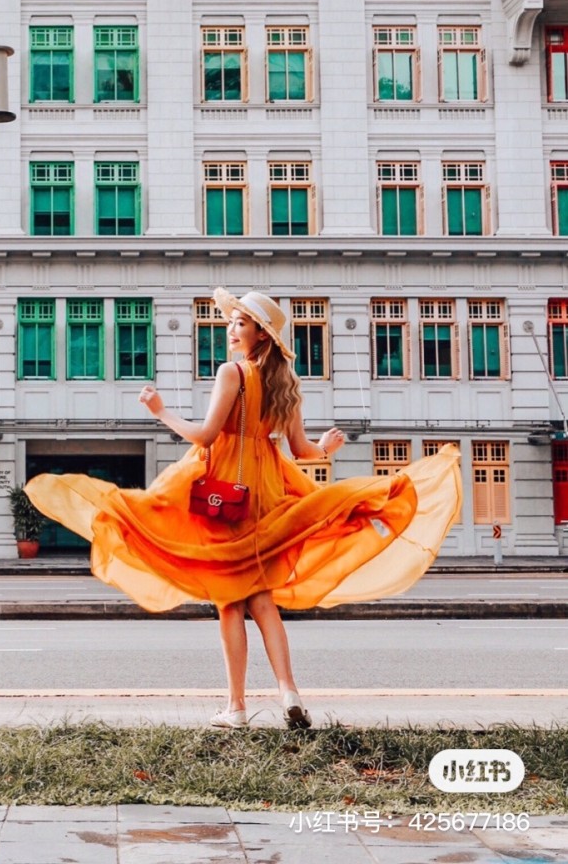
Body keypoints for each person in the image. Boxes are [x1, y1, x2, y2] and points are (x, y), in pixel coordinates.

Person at [25, 288, 462, 731]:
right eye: (232, 321)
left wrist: (161, 413)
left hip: (227, 494)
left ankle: (236, 707)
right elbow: (302, 450)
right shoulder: (285, 384)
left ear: (260, 335)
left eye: (240, 323)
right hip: (269, 492)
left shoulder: (231, 372)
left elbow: (205, 435)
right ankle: (288, 690)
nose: (230, 329)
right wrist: (326, 448)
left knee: (231, 602)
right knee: (263, 600)